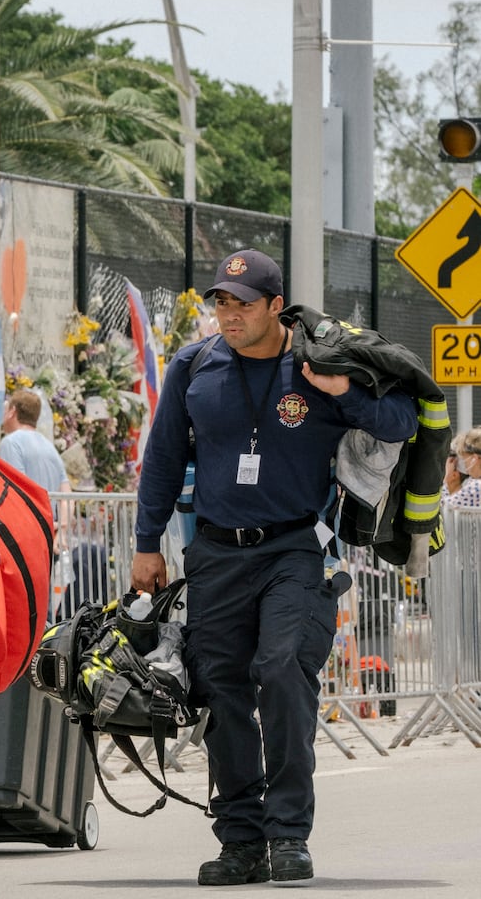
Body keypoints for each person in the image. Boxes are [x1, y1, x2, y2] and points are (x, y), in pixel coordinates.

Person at [131, 249, 416, 887]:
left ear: (274, 305)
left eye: (243, 303)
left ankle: (289, 833)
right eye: (220, 303)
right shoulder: (194, 365)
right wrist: (147, 542)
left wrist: (345, 391)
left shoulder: (318, 362)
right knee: (223, 688)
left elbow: (402, 417)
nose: (228, 315)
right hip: (214, 552)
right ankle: (240, 839)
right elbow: (164, 456)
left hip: (295, 549)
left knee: (283, 670)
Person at [0, 389, 69, 493]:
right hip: (48, 509)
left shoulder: (10, 443)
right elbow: (67, 496)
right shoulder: (50, 447)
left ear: (12, 411)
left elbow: (16, 489)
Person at [443, 427, 481, 508]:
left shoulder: (476, 487)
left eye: (463, 457)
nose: (464, 464)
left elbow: (442, 508)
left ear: (474, 458)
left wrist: (447, 479)